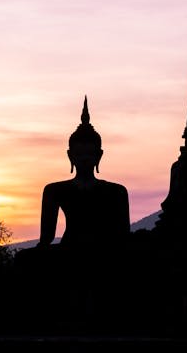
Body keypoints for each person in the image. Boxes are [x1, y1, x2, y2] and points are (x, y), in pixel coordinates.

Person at [39, 97, 130, 249]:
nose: (85, 159)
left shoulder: (117, 192)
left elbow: (123, 237)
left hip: (104, 250)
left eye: (89, 153)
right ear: (70, 156)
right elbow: (46, 239)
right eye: (79, 154)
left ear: (99, 155)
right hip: (69, 248)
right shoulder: (54, 191)